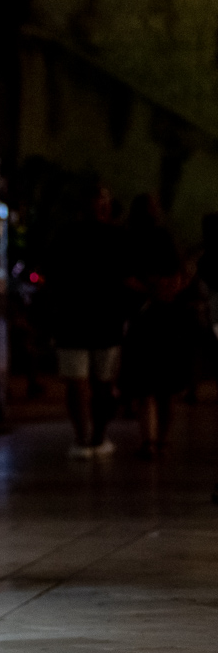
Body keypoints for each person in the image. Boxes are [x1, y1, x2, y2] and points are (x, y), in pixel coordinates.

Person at [47, 184, 131, 458]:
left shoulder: (68, 236)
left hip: (81, 319)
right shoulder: (115, 237)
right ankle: (94, 436)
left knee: (84, 382)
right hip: (97, 319)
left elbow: (52, 274)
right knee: (95, 382)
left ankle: (87, 436)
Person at [121, 194, 203, 458]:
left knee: (156, 387)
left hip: (155, 317)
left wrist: (159, 290)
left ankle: (153, 441)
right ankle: (156, 440)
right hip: (156, 316)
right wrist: (164, 291)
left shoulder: (139, 239)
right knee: (158, 387)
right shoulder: (147, 239)